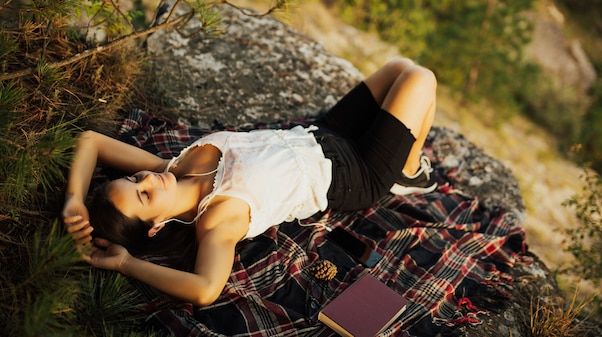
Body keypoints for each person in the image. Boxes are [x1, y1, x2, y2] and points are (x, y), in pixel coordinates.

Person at [63, 58, 437, 306]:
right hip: (353, 176)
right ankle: (404, 173)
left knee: (398, 68)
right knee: (420, 79)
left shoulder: (172, 168)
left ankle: (404, 162)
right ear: (156, 226)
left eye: (134, 178)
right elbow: (206, 289)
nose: (148, 180)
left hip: (320, 134)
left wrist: (75, 199)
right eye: (143, 196)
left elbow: (91, 141)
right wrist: (126, 264)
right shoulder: (217, 220)